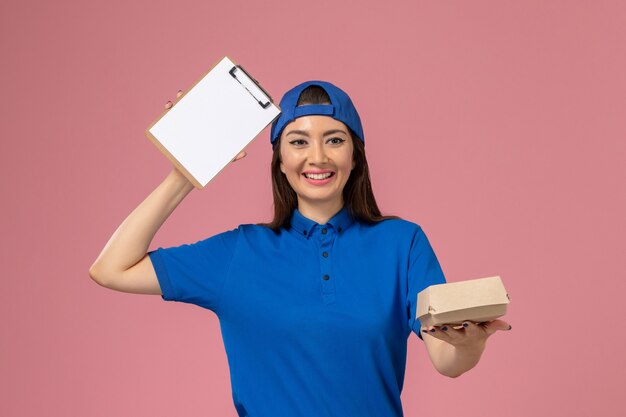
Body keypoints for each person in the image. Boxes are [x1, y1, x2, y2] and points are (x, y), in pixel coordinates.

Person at [89, 80, 512, 417]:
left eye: (334, 139)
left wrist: (470, 344)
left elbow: (444, 358)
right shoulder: (241, 253)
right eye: (298, 141)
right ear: (278, 160)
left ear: (355, 156)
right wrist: (183, 173)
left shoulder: (401, 244)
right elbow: (111, 269)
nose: (317, 157)